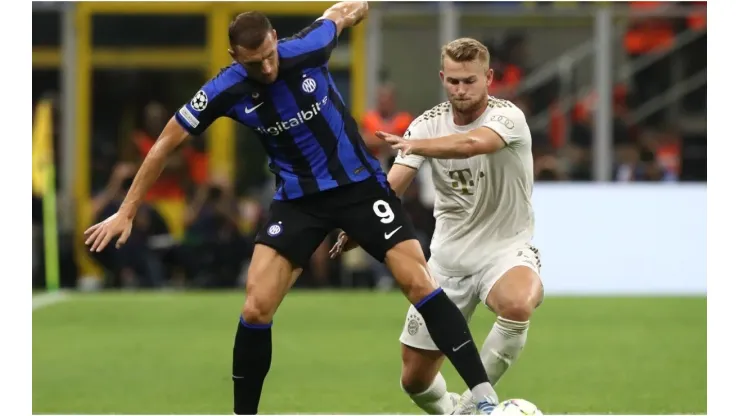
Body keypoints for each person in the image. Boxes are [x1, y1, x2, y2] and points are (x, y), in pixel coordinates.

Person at [83, 3, 499, 414]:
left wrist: (360, 8)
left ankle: (483, 400)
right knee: (255, 307)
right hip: (298, 202)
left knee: (419, 283)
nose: (266, 68)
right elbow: (163, 145)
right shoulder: (223, 89)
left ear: (275, 41)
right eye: (254, 63)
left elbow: (343, 12)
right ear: (234, 58)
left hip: (359, 188)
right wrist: (127, 211)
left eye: (269, 55)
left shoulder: (308, 46)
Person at [331, 37, 544, 415]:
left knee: (517, 303)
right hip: (447, 263)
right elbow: (393, 185)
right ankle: (453, 413)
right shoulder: (425, 126)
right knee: (414, 380)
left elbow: (472, 145)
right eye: (454, 81)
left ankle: (469, 408)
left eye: (470, 81)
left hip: (505, 250)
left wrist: (415, 147)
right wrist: (362, 224)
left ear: (489, 78)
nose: (461, 90)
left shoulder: (507, 117)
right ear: (443, 78)